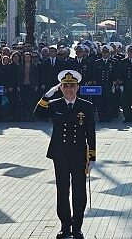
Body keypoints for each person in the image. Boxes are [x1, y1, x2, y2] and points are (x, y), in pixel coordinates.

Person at [34, 70, 96, 239]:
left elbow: (91, 132)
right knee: (62, 190)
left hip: (78, 154)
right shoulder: (54, 104)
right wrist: (47, 95)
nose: (69, 89)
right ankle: (65, 226)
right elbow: (37, 114)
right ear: (61, 88)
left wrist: (92, 156)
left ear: (78, 87)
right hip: (60, 153)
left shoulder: (86, 106)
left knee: (79, 191)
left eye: (72, 86)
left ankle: (77, 227)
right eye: (66, 86)